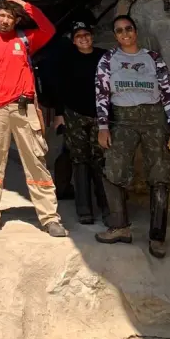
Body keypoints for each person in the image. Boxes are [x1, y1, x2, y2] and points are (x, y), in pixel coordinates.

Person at [0, 0, 67, 238]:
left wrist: (24, 5)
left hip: (24, 108)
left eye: (10, 16)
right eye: (2, 15)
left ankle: (49, 217)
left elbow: (49, 29)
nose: (5, 20)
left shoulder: (25, 39)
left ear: (16, 19)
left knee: (36, 160)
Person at [94, 15, 170, 258]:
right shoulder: (108, 59)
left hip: (155, 119)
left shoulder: (152, 58)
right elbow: (101, 93)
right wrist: (103, 126)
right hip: (122, 118)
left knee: (160, 174)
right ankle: (120, 227)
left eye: (128, 29)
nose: (125, 34)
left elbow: (168, 93)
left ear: (135, 31)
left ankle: (157, 237)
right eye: (119, 30)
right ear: (115, 35)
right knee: (113, 168)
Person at [52, 22, 108, 225]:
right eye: (78, 36)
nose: (83, 39)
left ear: (92, 36)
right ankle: (84, 209)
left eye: (86, 35)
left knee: (100, 157)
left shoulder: (104, 56)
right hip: (74, 113)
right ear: (73, 40)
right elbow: (60, 88)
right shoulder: (67, 59)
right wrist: (59, 115)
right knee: (79, 158)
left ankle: (106, 205)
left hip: (99, 114)